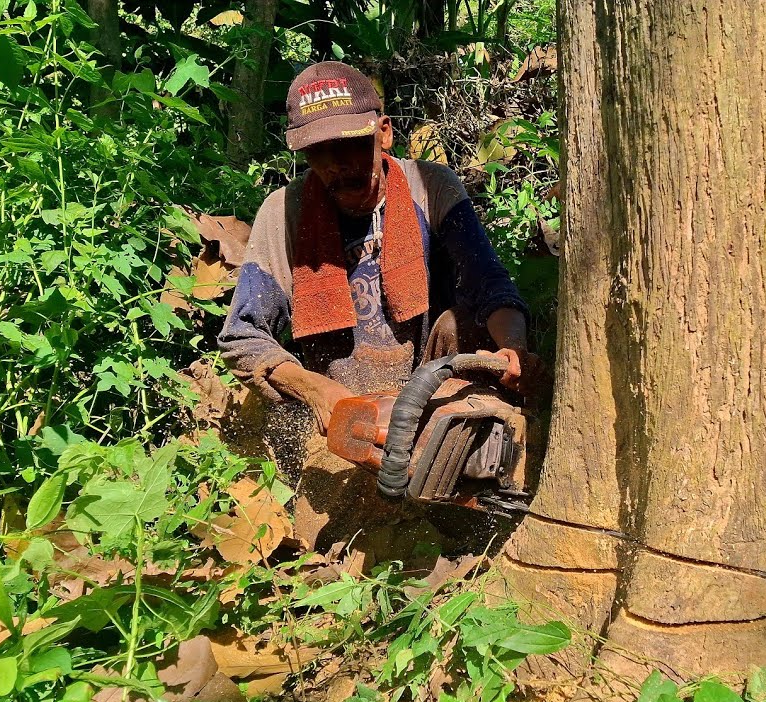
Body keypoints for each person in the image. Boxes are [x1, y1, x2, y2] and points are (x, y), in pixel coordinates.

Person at [218, 61, 536, 436]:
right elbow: (241, 334)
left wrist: (513, 349)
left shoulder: (429, 187)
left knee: (459, 324)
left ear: (383, 133)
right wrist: (317, 392)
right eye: (319, 151)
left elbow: (490, 285)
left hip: (434, 383)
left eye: (351, 143)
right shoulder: (285, 211)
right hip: (340, 401)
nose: (337, 164)